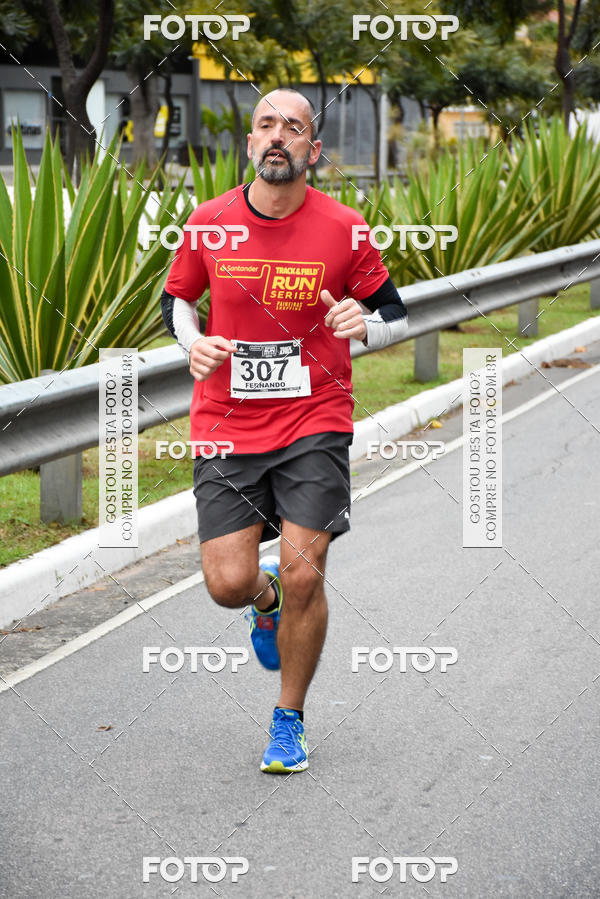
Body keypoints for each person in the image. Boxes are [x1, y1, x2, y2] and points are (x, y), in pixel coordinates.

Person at [160, 88, 407, 774]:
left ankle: (288, 719)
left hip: (314, 418)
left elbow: (396, 312)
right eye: (265, 124)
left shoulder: (344, 227)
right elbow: (177, 298)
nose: (278, 136)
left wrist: (368, 327)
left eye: (293, 127)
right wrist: (193, 344)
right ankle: (260, 600)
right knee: (227, 581)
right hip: (227, 419)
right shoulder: (209, 222)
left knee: (306, 574)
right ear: (249, 143)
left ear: (312, 150)